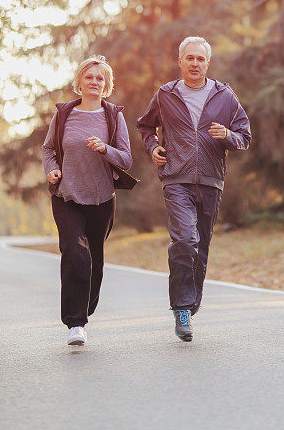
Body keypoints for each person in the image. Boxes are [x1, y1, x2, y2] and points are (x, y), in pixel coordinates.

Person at [137, 36, 251, 341]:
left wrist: (227, 133)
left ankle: (190, 304)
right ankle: (182, 309)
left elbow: (245, 135)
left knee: (201, 247)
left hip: (211, 180)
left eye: (200, 59)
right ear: (180, 61)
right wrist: (152, 147)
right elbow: (145, 126)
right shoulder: (166, 94)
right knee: (186, 240)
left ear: (208, 63)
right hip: (176, 177)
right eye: (190, 58)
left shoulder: (224, 96)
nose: (195, 64)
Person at [42, 55, 136, 346]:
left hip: (101, 200)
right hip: (67, 196)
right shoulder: (64, 114)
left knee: (94, 260)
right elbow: (48, 150)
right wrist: (52, 170)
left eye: (100, 78)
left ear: (106, 85)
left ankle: (86, 307)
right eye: (89, 77)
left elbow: (127, 159)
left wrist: (105, 149)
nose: (94, 82)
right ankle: (76, 322)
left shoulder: (113, 116)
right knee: (74, 252)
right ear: (79, 82)